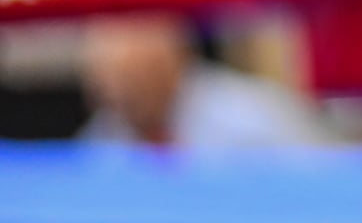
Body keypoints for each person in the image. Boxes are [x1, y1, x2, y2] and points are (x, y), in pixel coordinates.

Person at [79, 12, 326, 148]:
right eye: (108, 88)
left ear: (172, 61)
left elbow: (325, 189)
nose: (121, 102)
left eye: (132, 81)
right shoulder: (105, 138)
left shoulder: (252, 120)